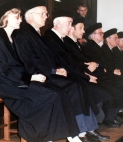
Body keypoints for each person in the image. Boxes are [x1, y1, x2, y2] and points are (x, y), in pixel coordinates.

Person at [12, 1, 109, 141]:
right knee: (73, 86)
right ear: (31, 15)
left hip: (47, 73)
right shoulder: (23, 34)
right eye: (43, 14)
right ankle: (73, 132)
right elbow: (30, 60)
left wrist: (56, 69)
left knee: (76, 85)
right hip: (38, 76)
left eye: (46, 14)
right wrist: (53, 70)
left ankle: (77, 131)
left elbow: (47, 58)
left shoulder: (35, 33)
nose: (46, 17)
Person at [0, 1, 79, 142]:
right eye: (17, 17)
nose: (21, 20)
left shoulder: (12, 38)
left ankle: (49, 135)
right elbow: (4, 71)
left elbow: (20, 65)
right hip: (5, 84)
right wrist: (30, 78)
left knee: (55, 92)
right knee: (48, 95)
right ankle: (35, 135)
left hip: (16, 79)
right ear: (5, 19)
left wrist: (33, 76)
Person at [42, 10, 111, 141]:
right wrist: (85, 76)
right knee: (80, 87)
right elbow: (65, 63)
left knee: (83, 87)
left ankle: (86, 130)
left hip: (67, 74)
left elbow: (70, 62)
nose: (70, 27)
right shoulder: (51, 38)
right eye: (68, 24)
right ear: (58, 23)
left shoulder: (58, 38)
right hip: (56, 76)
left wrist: (85, 75)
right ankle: (80, 132)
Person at [62, 19, 123, 128]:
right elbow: (79, 63)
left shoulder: (79, 44)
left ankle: (103, 120)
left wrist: (97, 66)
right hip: (85, 76)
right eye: (81, 28)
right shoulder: (74, 44)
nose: (83, 31)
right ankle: (100, 122)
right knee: (107, 89)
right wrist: (92, 71)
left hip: (90, 74)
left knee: (118, 84)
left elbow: (93, 62)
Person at [83, 24, 123, 120]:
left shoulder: (96, 46)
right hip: (97, 76)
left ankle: (117, 112)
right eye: (100, 33)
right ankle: (111, 116)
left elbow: (105, 64)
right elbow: (100, 64)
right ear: (93, 35)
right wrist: (111, 71)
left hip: (103, 74)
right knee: (118, 83)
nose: (102, 35)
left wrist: (111, 70)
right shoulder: (90, 46)